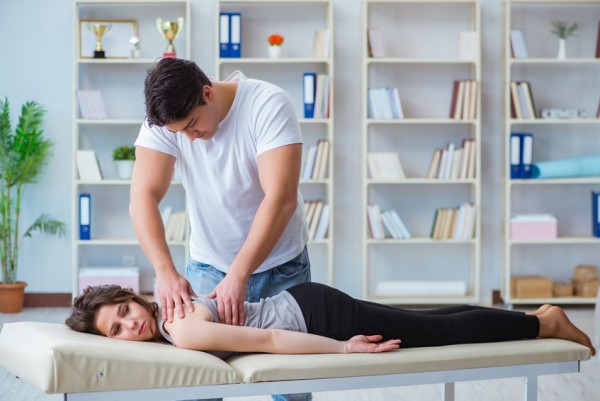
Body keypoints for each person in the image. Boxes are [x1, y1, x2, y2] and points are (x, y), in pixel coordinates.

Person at [130, 56, 311, 332]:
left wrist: (239, 274)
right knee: (208, 369)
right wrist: (164, 271)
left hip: (280, 267)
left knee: (286, 365)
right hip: (208, 269)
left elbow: (281, 198)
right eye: (180, 132)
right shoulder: (165, 123)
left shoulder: (268, 104)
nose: (189, 138)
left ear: (207, 93)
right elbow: (143, 197)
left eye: (192, 124)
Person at [66, 282, 596, 359]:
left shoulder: (179, 327)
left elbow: (271, 338)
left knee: (439, 333)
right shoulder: (170, 321)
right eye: (114, 329)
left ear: (135, 299)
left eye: (124, 312)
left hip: (314, 314)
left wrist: (344, 349)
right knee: (434, 323)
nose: (127, 326)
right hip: (306, 304)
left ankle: (543, 323)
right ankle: (535, 319)